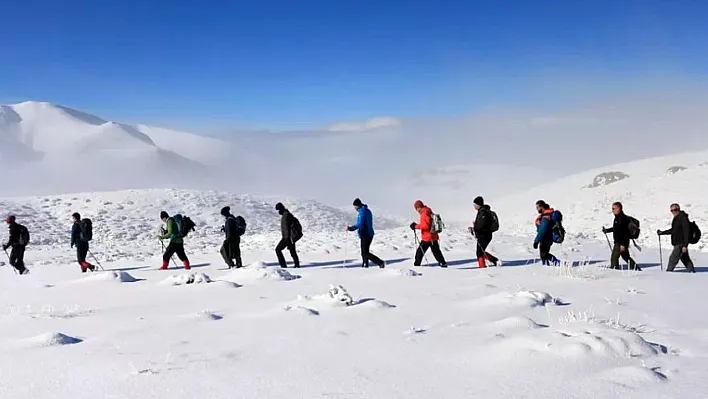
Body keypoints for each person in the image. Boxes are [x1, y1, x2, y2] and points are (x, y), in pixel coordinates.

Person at [347, 198, 385, 268]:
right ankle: (365, 265)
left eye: (355, 206)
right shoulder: (365, 211)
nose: (354, 208)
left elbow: (360, 224)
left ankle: (380, 262)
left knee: (365, 253)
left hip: (366, 234)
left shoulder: (362, 212)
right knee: (364, 252)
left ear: (358, 206)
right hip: (367, 234)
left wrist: (350, 228)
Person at [658, 203, 696, 273]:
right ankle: (692, 272)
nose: (673, 212)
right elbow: (673, 230)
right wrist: (662, 232)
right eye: (672, 210)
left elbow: (687, 232)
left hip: (681, 243)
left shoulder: (683, 218)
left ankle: (668, 273)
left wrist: (685, 245)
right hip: (678, 243)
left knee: (673, 258)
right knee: (685, 259)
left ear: (678, 209)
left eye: (675, 210)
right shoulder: (677, 218)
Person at [602, 202, 640, 271]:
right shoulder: (618, 218)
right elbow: (616, 229)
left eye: (614, 208)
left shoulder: (622, 219)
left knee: (614, 257)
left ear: (618, 208)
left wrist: (623, 244)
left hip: (621, 242)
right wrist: (607, 230)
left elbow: (624, 232)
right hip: (622, 242)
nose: (612, 210)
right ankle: (636, 269)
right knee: (626, 257)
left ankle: (614, 271)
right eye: (612, 208)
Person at [410, 200, 447, 268]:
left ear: (418, 207)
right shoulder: (428, 210)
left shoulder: (424, 213)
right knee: (436, 251)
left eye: (416, 208)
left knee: (420, 252)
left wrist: (415, 226)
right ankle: (443, 263)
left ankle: (416, 266)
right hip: (433, 236)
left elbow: (425, 226)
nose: (416, 210)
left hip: (428, 237)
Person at [469, 196, 499, 268]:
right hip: (485, 235)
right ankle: (495, 261)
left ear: (478, 204)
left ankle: (483, 267)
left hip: (484, 235)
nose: (474, 206)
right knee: (480, 251)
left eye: (475, 204)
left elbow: (481, 225)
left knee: (479, 252)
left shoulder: (483, 212)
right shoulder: (483, 211)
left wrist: (474, 229)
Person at [533, 200, 560, 266]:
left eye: (537, 207)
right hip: (547, 237)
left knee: (544, 255)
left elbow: (543, 230)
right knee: (544, 254)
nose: (537, 209)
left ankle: (554, 264)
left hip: (545, 238)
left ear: (541, 206)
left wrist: (536, 240)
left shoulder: (546, 216)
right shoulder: (547, 214)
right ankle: (555, 263)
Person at [275, 202, 300, 268]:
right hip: (290, 237)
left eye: (278, 210)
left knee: (278, 250)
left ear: (281, 209)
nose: (278, 212)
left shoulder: (285, 215)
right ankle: (297, 264)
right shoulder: (287, 214)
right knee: (292, 251)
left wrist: (286, 238)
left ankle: (283, 265)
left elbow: (286, 228)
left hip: (287, 237)